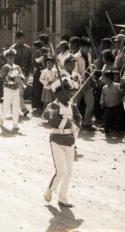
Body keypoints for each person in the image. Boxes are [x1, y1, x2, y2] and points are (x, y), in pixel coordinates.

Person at [43, 80, 81, 208]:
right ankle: (50, 190)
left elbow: (78, 118)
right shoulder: (53, 105)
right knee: (61, 171)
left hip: (70, 140)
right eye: (65, 92)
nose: (68, 95)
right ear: (58, 93)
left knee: (68, 171)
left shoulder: (72, 106)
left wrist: (74, 123)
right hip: (57, 140)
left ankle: (63, 198)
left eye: (69, 92)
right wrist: (61, 113)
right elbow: (48, 119)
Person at [0, 48, 25, 132]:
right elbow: (3, 79)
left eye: (13, 57)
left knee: (16, 107)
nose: (11, 58)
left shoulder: (17, 67)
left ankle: (15, 124)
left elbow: (22, 76)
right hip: (8, 88)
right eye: (9, 57)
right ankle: (2, 118)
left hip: (16, 89)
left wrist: (20, 77)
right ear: (6, 58)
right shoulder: (5, 67)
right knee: (6, 106)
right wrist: (10, 76)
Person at [73, 37, 95, 130]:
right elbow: (75, 71)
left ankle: (87, 123)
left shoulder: (89, 55)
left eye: (88, 47)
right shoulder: (76, 57)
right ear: (81, 47)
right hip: (79, 83)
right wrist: (79, 81)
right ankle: (74, 122)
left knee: (90, 103)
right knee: (75, 104)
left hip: (88, 82)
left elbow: (90, 68)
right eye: (86, 47)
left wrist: (92, 78)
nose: (87, 49)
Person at [100, 70, 124, 137]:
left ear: (109, 78)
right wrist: (102, 102)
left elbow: (121, 93)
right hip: (108, 106)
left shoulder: (117, 86)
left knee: (118, 118)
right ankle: (106, 131)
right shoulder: (104, 87)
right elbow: (102, 95)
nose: (103, 79)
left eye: (103, 78)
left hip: (117, 105)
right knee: (107, 119)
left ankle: (117, 130)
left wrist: (121, 92)